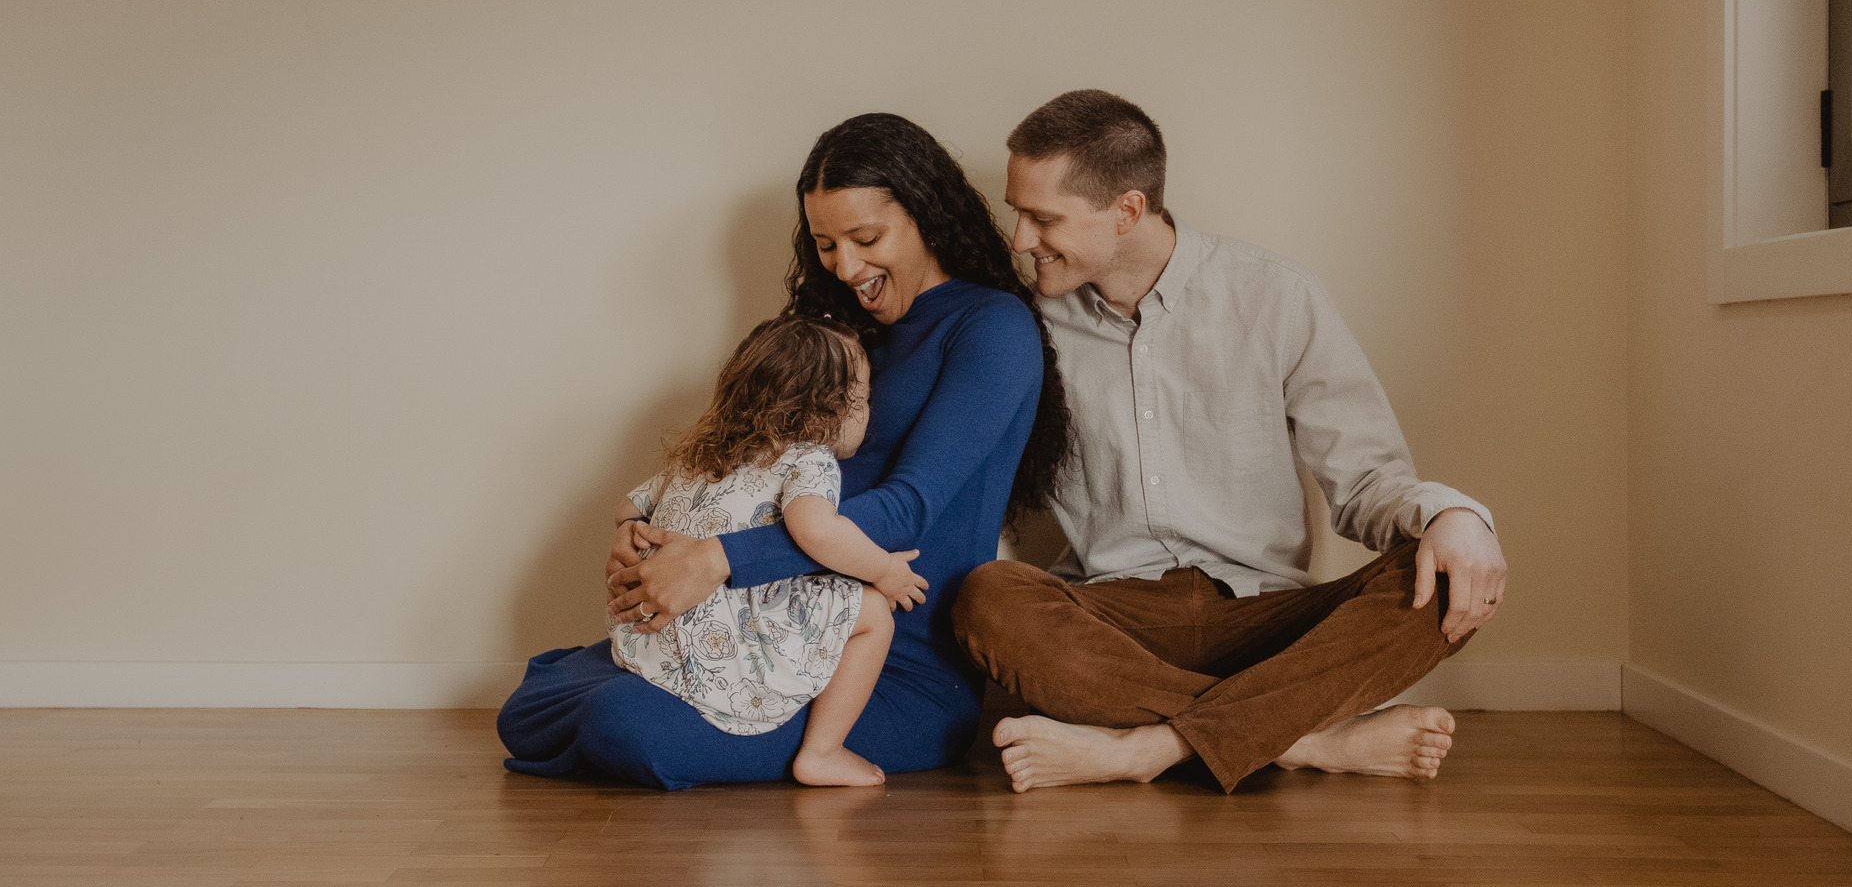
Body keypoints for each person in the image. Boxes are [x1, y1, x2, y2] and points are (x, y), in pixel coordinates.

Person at [953, 89, 1508, 794]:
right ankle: (1299, 738)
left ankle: (1145, 750)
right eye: (1017, 214)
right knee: (987, 597)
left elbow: (1368, 481)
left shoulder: (1278, 296)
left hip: (1267, 618)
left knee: (1445, 577)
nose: (1020, 240)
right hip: (1116, 621)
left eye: (1042, 218)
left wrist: (1454, 515)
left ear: (1126, 210)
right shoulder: (1020, 325)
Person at [496, 113, 1075, 789]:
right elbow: (740, 462)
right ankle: (599, 689)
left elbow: (907, 508)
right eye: (827, 244)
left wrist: (715, 560)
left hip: (888, 666)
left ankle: (621, 700)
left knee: (622, 724)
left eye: (866, 238)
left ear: (926, 214)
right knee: (527, 708)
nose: (847, 266)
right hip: (765, 633)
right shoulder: (836, 338)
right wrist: (644, 539)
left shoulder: (992, 328)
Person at [608, 313, 926, 786]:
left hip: (650, 641)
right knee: (874, 614)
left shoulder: (699, 451)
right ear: (830, 409)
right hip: (731, 658)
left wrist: (630, 532)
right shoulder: (808, 459)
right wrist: (883, 570)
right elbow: (816, 532)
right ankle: (823, 751)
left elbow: (627, 507)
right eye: (863, 397)